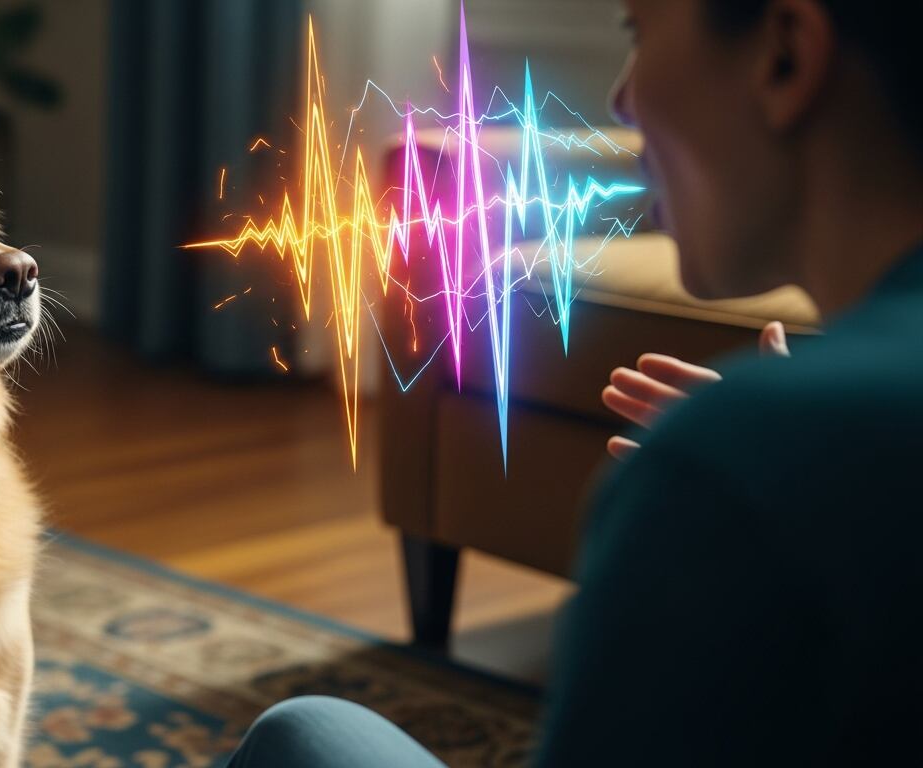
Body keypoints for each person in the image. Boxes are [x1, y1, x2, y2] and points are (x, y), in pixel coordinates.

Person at [224, 0, 923, 765]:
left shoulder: (730, 465)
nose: (622, 98)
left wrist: (754, 466)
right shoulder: (804, 443)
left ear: (784, 56)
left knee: (300, 737)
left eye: (639, 31)